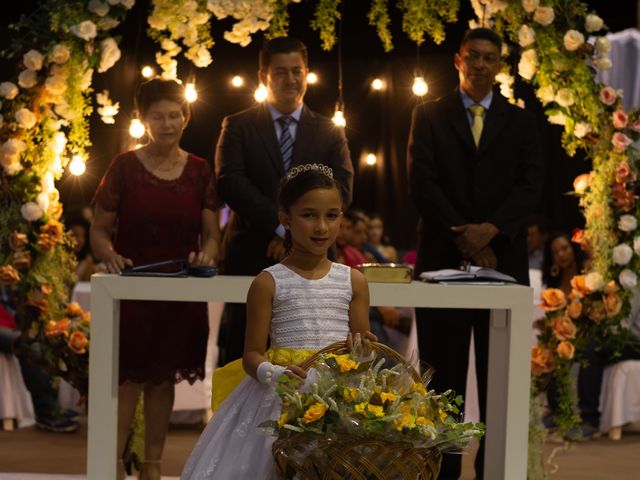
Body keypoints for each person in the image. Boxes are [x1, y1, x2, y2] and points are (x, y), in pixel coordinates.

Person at [407, 28, 542, 479]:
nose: (481, 64)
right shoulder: (427, 115)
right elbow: (422, 182)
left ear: (500, 65)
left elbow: (530, 185)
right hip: (442, 258)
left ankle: (494, 470)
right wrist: (464, 235)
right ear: (457, 60)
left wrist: (492, 232)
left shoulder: (521, 120)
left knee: (498, 379)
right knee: (440, 379)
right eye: (473, 56)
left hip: (503, 260)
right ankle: (440, 471)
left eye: (489, 58)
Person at [182, 165, 373, 479]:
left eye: (332, 215)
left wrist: (362, 350)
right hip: (282, 394)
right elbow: (251, 355)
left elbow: (361, 347)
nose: (322, 227)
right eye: (309, 215)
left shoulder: (353, 281)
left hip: (338, 396)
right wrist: (275, 373)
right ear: (285, 219)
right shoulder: (269, 282)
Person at [90, 78, 221, 480]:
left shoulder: (200, 170)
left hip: (179, 290)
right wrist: (108, 255)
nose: (167, 123)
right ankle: (110, 467)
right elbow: (98, 229)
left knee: (164, 382)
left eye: (174, 115)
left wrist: (207, 255)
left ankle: (152, 469)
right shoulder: (124, 167)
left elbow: (213, 235)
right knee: (128, 381)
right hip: (132, 289)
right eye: (158, 116)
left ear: (186, 117)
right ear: (143, 120)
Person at [215, 36, 354, 367]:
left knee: (319, 355)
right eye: (280, 72)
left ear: (307, 73)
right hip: (252, 253)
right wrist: (282, 228)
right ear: (263, 75)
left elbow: (343, 187)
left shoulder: (329, 131)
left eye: (297, 71)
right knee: (244, 353)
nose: (290, 80)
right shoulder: (238, 126)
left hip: (316, 262)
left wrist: (296, 235)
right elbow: (230, 183)